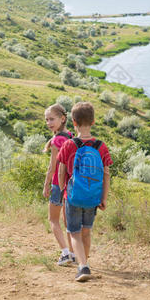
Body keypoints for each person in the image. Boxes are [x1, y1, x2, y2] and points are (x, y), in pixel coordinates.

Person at [57, 102, 112, 282]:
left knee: (74, 233)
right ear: (94, 121)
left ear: (73, 122)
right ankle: (84, 262)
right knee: (86, 232)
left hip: (73, 196)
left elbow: (61, 170)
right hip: (92, 197)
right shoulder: (101, 146)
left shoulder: (69, 145)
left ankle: (82, 266)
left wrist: (63, 191)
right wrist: (103, 198)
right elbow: (106, 174)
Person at [42, 103, 75, 266]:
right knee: (68, 220)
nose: (49, 123)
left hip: (57, 184)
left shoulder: (56, 141)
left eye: (52, 119)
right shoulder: (70, 135)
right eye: (46, 120)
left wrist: (46, 184)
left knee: (53, 220)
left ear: (62, 119)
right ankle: (75, 254)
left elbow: (52, 167)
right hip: (70, 184)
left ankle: (65, 253)